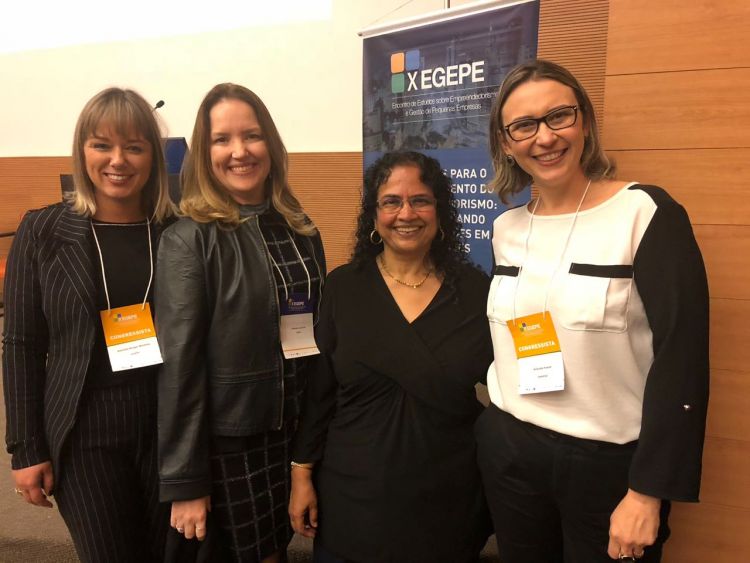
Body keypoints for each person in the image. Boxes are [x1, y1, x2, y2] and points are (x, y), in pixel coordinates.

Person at [476, 59, 710, 563]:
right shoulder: (506, 229)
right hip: (513, 450)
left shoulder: (644, 212)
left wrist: (648, 491)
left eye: (558, 116)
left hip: (609, 467)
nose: (545, 137)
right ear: (506, 143)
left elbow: (682, 358)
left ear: (584, 120)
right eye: (524, 126)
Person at [289, 151, 493, 563]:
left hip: (447, 497)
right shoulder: (343, 288)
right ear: (374, 214)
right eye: (391, 201)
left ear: (439, 211)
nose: (406, 213)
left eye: (420, 200)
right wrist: (301, 473)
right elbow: (320, 392)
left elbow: (509, 388)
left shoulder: (475, 290)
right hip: (353, 497)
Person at [2, 87, 175, 562]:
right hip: (83, 428)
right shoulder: (43, 231)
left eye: (134, 147)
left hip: (167, 423)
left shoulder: (178, 231)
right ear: (82, 151)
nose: (118, 160)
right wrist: (26, 448)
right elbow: (21, 344)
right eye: (102, 145)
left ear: (152, 157)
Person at [155, 83, 325, 563]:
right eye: (221, 139)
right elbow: (179, 369)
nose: (239, 151)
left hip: (296, 427)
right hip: (234, 438)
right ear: (203, 153)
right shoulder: (189, 239)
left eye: (251, 135)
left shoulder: (299, 226)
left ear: (270, 142)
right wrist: (186, 481)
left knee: (278, 545)